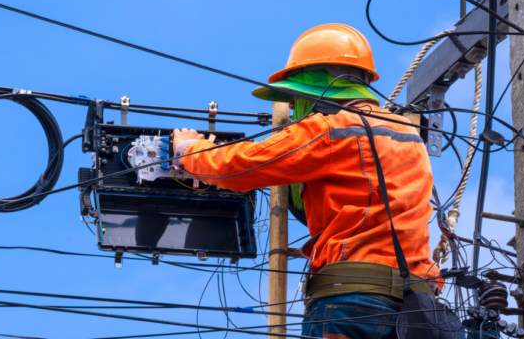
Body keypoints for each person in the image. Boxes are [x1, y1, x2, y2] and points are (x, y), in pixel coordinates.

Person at [172, 24, 442, 339]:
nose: (290, 109)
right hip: (417, 310)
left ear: (317, 90)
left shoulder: (330, 129)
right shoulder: (409, 135)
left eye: (293, 99)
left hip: (350, 302)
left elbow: (244, 164)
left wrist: (188, 151)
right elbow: (375, 211)